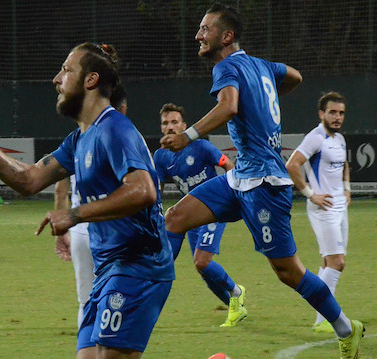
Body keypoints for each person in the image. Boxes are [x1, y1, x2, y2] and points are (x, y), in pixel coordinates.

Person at [0, 43, 175, 359]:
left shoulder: (115, 129)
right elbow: (29, 180)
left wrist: (74, 215)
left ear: (90, 81)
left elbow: (143, 191)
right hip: (109, 269)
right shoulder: (79, 139)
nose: (56, 79)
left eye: (66, 70)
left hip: (139, 265)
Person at [159, 3, 363, 358]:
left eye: (205, 29)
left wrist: (188, 135)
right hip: (240, 179)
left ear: (226, 36)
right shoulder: (261, 66)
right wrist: (260, 95)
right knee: (174, 219)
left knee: (288, 272)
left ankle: (346, 328)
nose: (198, 35)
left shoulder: (227, 66)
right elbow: (295, 77)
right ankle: (147, 295)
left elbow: (228, 107)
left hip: (267, 185)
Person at [153, 102, 245, 327]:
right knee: (198, 269)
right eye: (166, 123)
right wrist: (155, 213)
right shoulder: (161, 157)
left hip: (214, 210)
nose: (170, 127)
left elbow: (228, 165)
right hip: (189, 215)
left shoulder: (201, 147)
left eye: (175, 122)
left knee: (202, 262)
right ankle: (236, 306)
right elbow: (157, 188)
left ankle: (235, 293)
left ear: (184, 126)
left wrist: (233, 195)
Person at [53, 83, 128, 330]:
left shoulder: (76, 140)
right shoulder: (122, 138)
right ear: (123, 109)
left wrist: (61, 229)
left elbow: (60, 187)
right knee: (118, 300)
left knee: (86, 301)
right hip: (114, 230)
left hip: (80, 228)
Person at [285, 91, 351, 334]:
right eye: (332, 112)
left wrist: (346, 189)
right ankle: (328, 318)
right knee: (337, 262)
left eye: (341, 113)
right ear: (321, 114)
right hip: (323, 209)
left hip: (339, 208)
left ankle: (321, 319)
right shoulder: (316, 137)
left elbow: (344, 165)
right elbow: (292, 165)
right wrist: (310, 194)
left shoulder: (340, 139)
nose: (337, 117)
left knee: (328, 262)